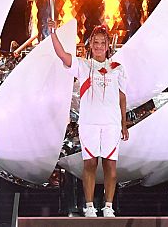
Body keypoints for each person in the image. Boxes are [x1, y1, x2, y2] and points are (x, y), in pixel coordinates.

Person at [47, 19, 129, 218]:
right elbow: (62, 55)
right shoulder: (83, 65)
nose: (99, 46)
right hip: (89, 123)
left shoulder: (117, 67)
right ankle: (90, 206)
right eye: (96, 43)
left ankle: (108, 206)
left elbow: (122, 96)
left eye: (103, 43)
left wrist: (123, 124)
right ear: (90, 45)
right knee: (90, 164)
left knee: (111, 166)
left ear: (108, 45)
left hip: (111, 123)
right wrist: (53, 33)